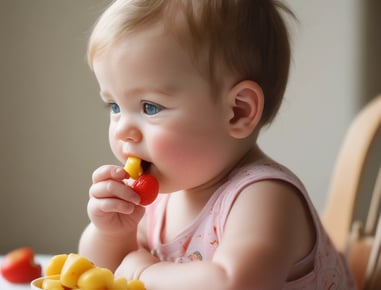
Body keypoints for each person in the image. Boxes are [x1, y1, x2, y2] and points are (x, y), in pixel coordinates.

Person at [79, 0, 356, 289]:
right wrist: (111, 234)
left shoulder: (264, 197)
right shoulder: (162, 198)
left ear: (238, 111)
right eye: (114, 106)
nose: (123, 129)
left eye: (150, 107)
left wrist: (142, 274)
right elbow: (101, 275)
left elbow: (233, 283)